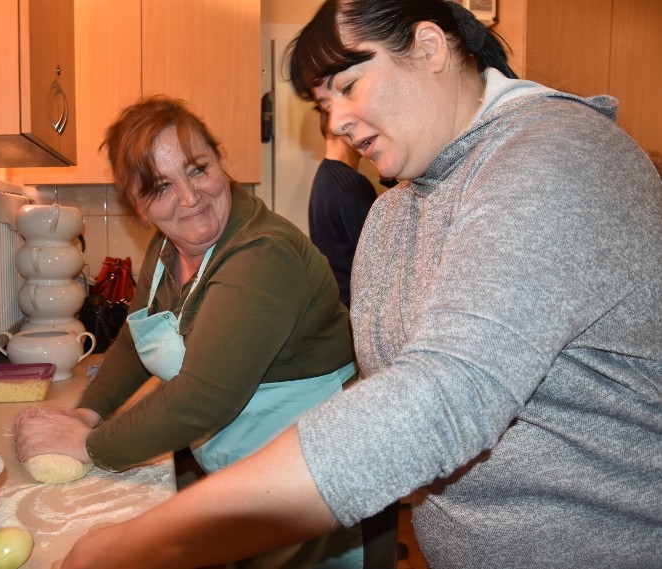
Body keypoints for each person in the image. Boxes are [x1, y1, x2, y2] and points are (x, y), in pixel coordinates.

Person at [47, 1, 662, 568]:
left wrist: (143, 540)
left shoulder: (554, 159)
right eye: (324, 105)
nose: (337, 122)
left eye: (348, 84)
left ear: (429, 45)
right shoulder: (396, 212)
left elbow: (441, 397)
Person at [16, 95, 371, 567]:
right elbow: (132, 340)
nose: (189, 197)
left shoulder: (262, 254)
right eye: (160, 187)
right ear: (139, 209)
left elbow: (204, 398)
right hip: (242, 477)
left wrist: (90, 445)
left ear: (221, 164)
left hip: (310, 485)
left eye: (198, 169)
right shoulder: (167, 251)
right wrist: (87, 413)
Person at [308, 109, 378, 307]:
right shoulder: (352, 188)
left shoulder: (324, 175)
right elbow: (381, 263)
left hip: (338, 307)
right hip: (357, 311)